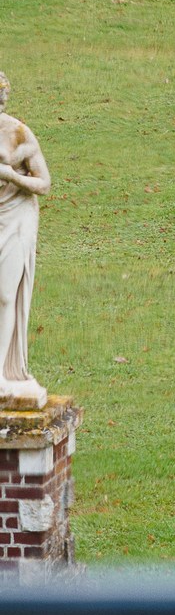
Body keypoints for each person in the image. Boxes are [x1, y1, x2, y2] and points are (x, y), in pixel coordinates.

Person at [0, 75, 51, 405]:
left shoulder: (18, 132)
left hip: (17, 214)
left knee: (5, 293)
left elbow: (44, 183)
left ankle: (2, 372)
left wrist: (11, 177)